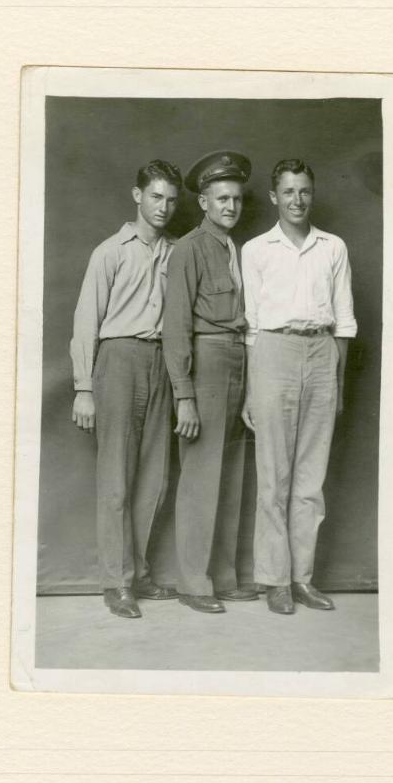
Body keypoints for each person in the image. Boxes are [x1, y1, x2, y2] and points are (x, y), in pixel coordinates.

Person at [241, 158, 357, 615]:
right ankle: (274, 580)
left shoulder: (333, 247)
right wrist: (253, 388)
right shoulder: (256, 250)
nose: (297, 200)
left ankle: (301, 579)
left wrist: (338, 381)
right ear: (274, 197)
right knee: (274, 477)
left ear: (313, 194)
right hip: (273, 353)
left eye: (304, 191)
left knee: (310, 480)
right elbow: (250, 326)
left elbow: (344, 322)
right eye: (288, 192)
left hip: (322, 353)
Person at [70, 159, 183, 619]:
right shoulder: (110, 252)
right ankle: (116, 583)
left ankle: (138, 573)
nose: (163, 207)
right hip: (117, 360)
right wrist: (83, 387)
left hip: (162, 363)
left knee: (153, 480)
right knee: (116, 478)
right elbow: (85, 322)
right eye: (156, 197)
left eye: (172, 200)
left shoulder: (178, 252)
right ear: (138, 195)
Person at [162, 150, 258, 614]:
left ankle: (224, 576)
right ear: (203, 202)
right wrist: (184, 396)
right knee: (201, 476)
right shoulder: (189, 248)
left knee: (233, 474)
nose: (231, 207)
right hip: (205, 364)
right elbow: (176, 326)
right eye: (221, 199)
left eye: (236, 199)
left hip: (238, 360)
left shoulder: (233, 248)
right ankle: (193, 582)